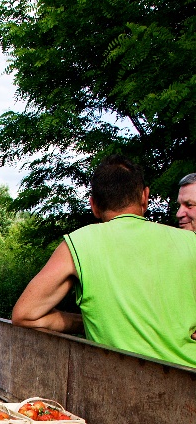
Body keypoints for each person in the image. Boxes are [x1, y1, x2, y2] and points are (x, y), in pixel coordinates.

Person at [11, 156, 196, 368]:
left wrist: (85, 322)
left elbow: (25, 315)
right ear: (145, 196)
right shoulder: (191, 241)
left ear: (94, 205)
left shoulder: (78, 244)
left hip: (119, 383)